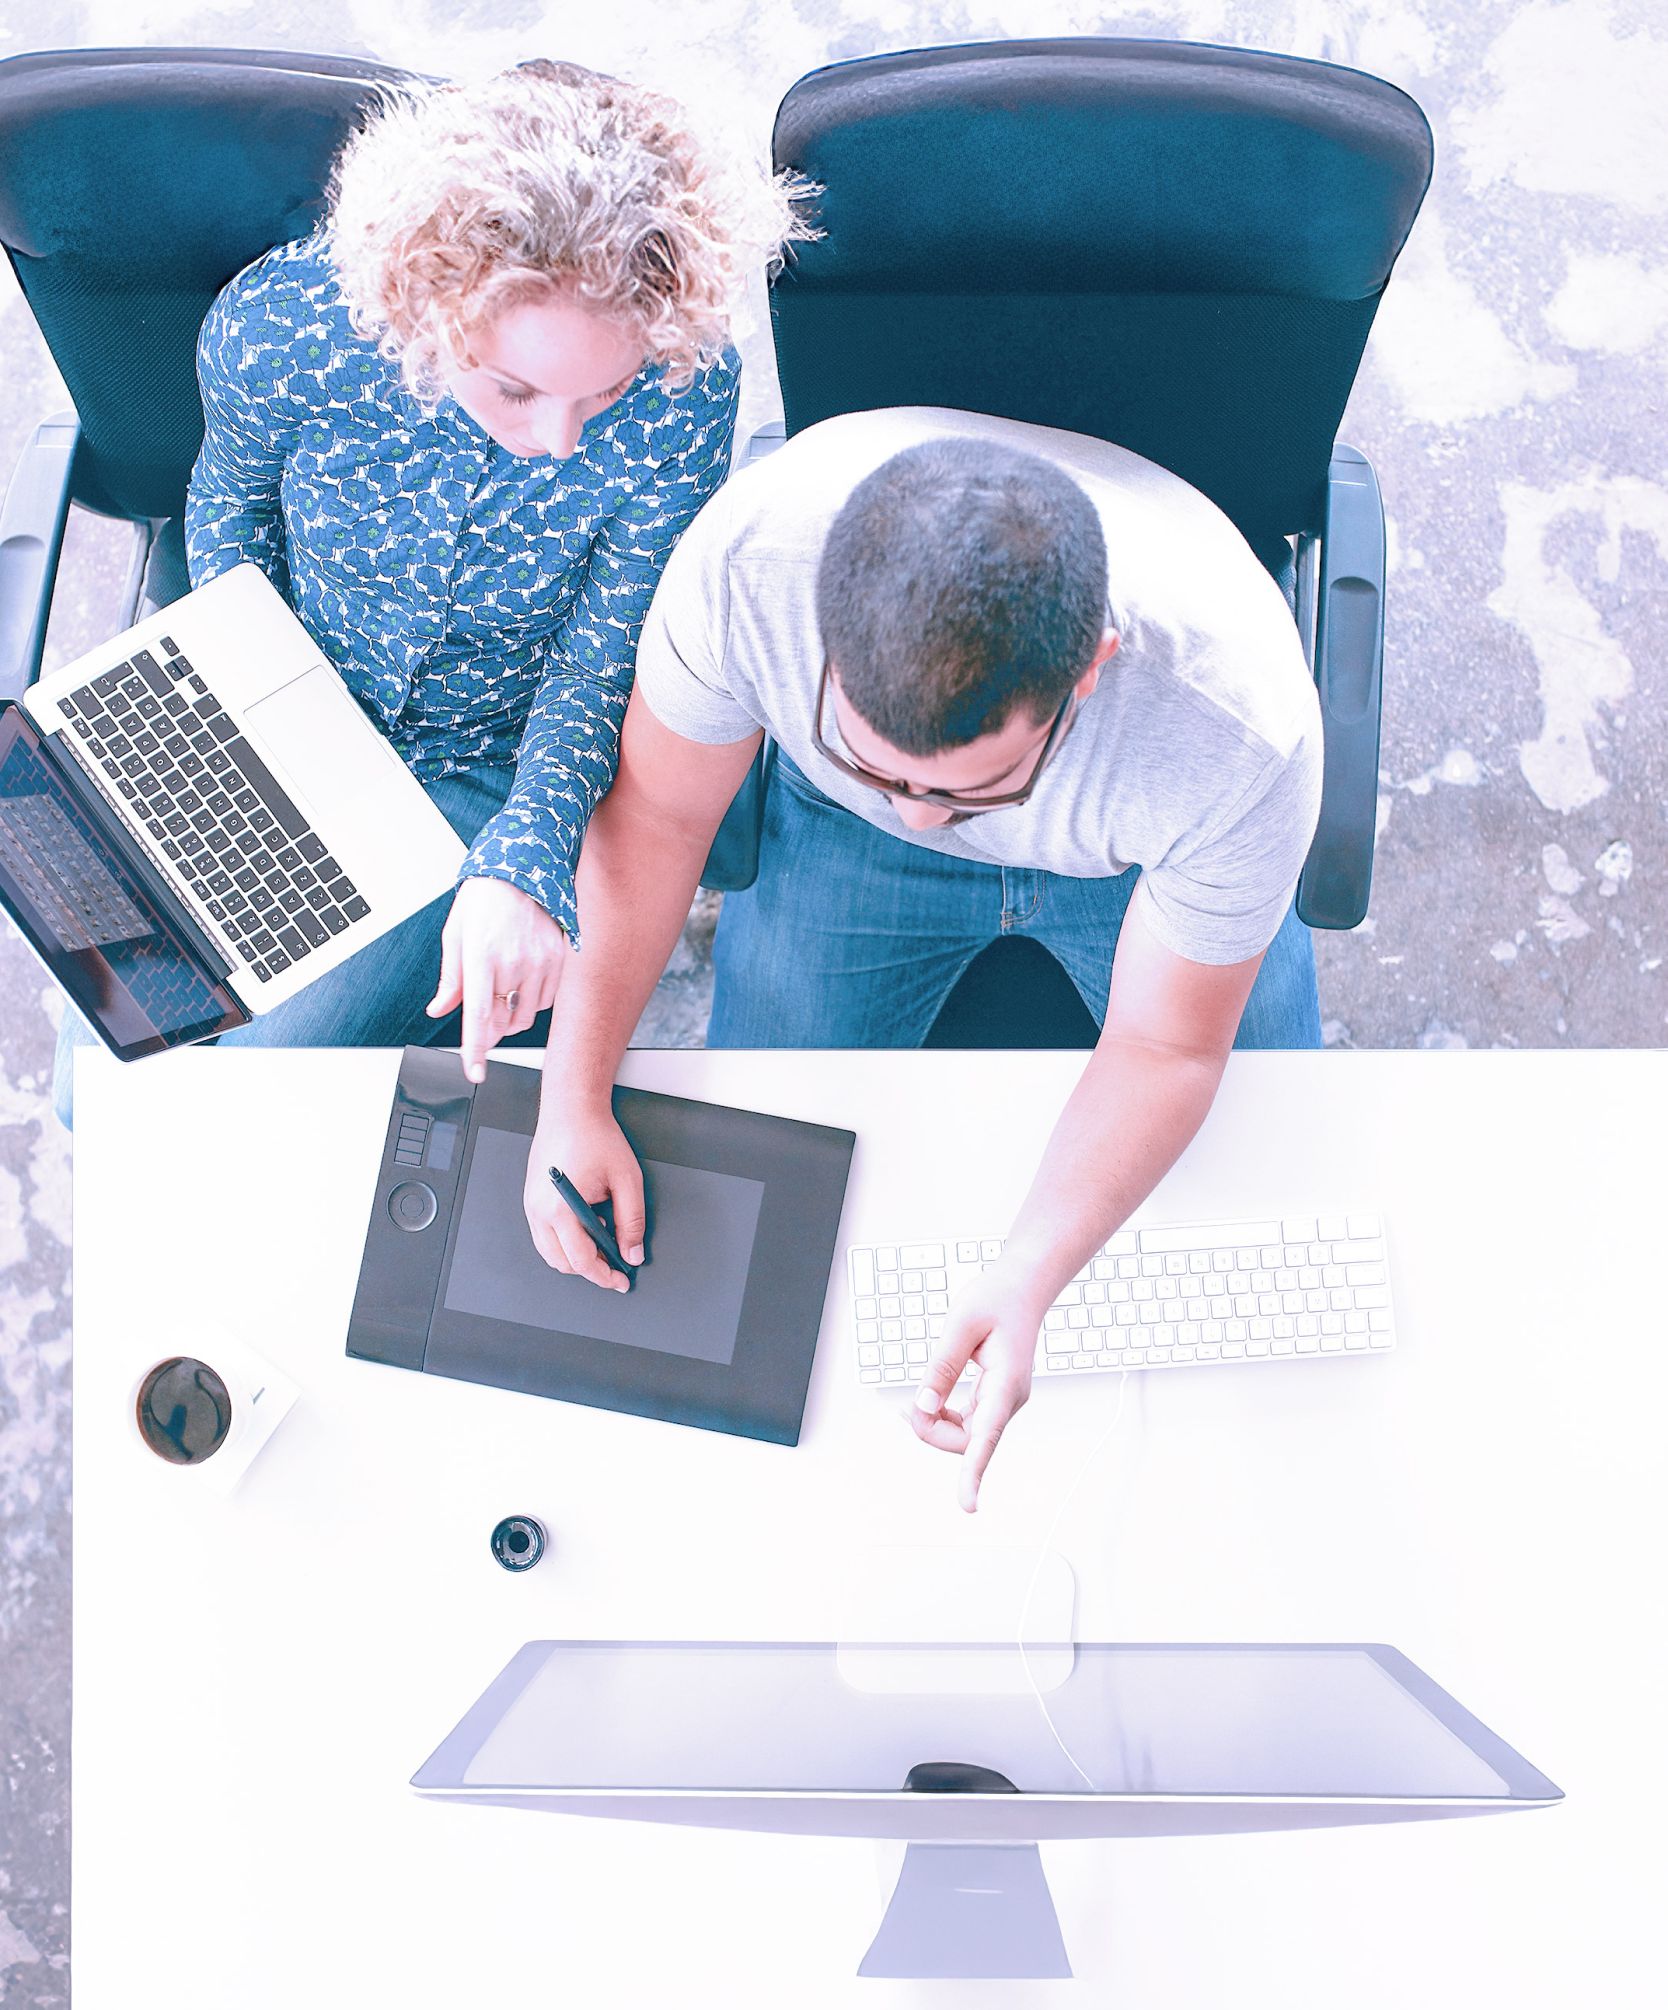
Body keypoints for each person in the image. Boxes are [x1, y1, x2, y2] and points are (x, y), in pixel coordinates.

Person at [521, 409, 1325, 1511]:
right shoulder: (747, 568)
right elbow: (659, 818)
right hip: (839, 834)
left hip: (1138, 863)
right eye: (884, 767)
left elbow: (1167, 1046)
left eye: (964, 789)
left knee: (1272, 1175)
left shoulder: (1237, 734)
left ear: (1090, 669)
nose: (923, 819)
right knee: (756, 1155)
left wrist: (1028, 1273)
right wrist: (570, 1093)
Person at [52, 58, 807, 1123]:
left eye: (603, 392)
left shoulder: (687, 385)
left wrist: (527, 856)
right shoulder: (283, 324)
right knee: (102, 1097)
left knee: (232, 1102)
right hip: (282, 700)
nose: (560, 441)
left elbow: (600, 654)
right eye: (516, 388)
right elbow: (226, 508)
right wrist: (251, 698)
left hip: (487, 760)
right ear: (426, 306)